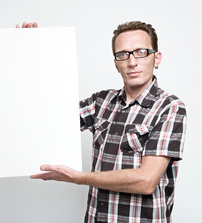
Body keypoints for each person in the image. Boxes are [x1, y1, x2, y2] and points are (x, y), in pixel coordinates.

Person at [17, 21, 187, 223]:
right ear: (116, 63)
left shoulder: (170, 107)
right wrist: (29, 53)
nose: (132, 62)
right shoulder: (100, 102)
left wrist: (78, 178)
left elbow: (146, 181)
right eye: (123, 54)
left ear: (156, 58)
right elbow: (46, 118)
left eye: (141, 52)